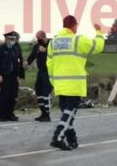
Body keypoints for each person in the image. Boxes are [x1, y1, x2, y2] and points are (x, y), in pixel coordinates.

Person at [47, 16, 105, 150]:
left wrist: (53, 81)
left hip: (60, 85)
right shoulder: (78, 40)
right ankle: (58, 136)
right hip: (74, 84)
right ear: (74, 26)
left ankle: (72, 140)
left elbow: (49, 64)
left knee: (67, 115)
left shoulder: (53, 42)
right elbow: (98, 47)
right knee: (70, 113)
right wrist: (99, 32)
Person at [0, 31, 23, 122]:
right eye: (11, 39)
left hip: (13, 76)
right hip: (4, 76)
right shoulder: (1, 49)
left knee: (13, 96)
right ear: (6, 39)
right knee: (4, 96)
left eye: (14, 39)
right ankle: (2, 115)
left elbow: (17, 63)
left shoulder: (15, 49)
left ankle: (10, 114)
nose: (13, 41)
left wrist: (18, 76)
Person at [27, 30, 52, 122]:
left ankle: (47, 113)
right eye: (37, 39)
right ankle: (42, 112)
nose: (38, 40)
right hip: (40, 71)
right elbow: (32, 56)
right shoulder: (37, 46)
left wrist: (46, 51)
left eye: (39, 39)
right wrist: (26, 63)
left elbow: (55, 56)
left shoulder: (51, 45)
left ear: (44, 37)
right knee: (39, 90)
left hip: (49, 72)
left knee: (46, 92)